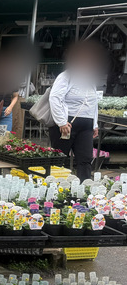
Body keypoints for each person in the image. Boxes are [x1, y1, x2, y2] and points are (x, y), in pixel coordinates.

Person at [48, 41, 107, 182]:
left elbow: (93, 102)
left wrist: (94, 124)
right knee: (59, 158)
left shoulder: (89, 79)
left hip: (86, 126)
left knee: (85, 159)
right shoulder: (66, 76)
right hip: (67, 124)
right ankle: (55, 189)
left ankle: (84, 189)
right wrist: (61, 121)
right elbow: (55, 97)